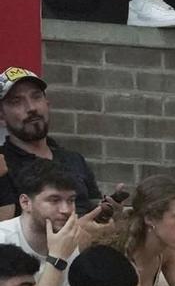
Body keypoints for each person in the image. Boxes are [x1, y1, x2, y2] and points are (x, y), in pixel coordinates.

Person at [0, 68, 101, 214]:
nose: (31, 108)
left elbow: (94, 207)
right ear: (2, 116)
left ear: (47, 103)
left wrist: (109, 210)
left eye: (36, 97)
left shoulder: (74, 160)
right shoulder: (3, 165)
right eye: (17, 101)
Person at [1, 160, 89, 286]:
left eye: (71, 200)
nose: (66, 210)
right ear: (25, 202)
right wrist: (57, 258)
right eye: (54, 200)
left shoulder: (69, 239)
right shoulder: (3, 240)